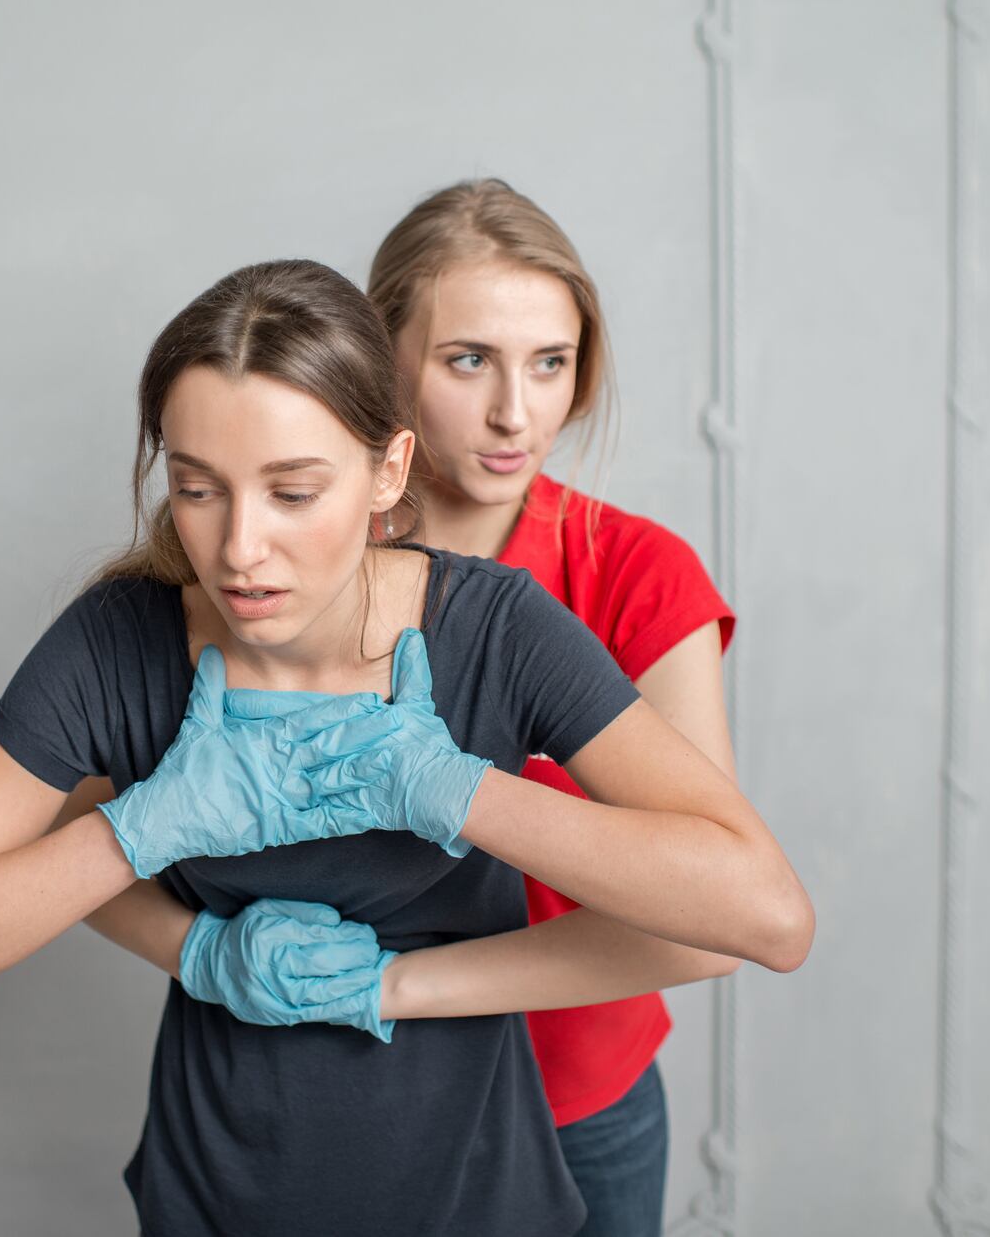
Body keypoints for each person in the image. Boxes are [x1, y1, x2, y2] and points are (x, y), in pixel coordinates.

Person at [0, 258, 812, 1237]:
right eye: (198, 488)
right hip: (214, 1202)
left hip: (478, 1204)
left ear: (386, 472)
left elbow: (765, 918)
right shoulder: (113, 643)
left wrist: (448, 789)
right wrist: (141, 834)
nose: (238, 548)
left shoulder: (496, 631)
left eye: (293, 492)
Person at [366, 177, 738, 1235]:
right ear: (381, 355)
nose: (513, 413)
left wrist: (394, 984)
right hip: (351, 1094)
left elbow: (708, 924)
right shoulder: (298, 560)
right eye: (466, 358)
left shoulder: (637, 572)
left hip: (581, 1111)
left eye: (549, 363)